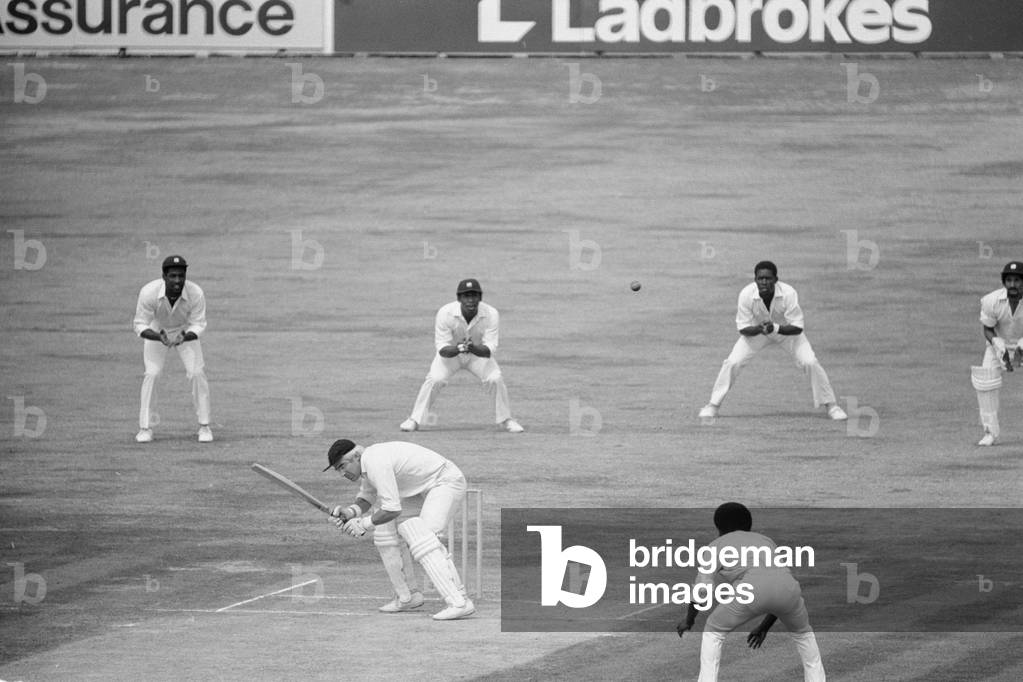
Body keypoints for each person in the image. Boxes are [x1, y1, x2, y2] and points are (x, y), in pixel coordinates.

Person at [324, 438, 476, 620]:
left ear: (356, 456)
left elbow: (391, 509)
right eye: (338, 470)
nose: (342, 474)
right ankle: (408, 596)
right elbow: (368, 496)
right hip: (421, 489)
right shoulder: (367, 463)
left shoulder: (375, 462)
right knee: (385, 532)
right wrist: (349, 513)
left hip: (445, 482)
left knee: (422, 537)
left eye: (342, 466)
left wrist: (362, 524)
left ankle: (459, 602)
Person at [676, 502, 826, 682]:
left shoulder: (715, 546)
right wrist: (764, 627)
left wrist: (689, 620)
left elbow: (702, 590)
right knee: (804, 635)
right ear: (749, 525)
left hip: (752, 591)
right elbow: (777, 587)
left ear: (718, 527)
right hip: (790, 590)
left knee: (713, 631)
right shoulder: (766, 541)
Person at [698, 261, 847, 421]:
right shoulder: (746, 294)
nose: (764, 282)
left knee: (810, 362)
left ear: (776, 279)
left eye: (768, 278)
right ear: (755, 279)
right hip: (757, 332)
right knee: (733, 362)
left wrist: (775, 328)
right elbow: (743, 329)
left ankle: (832, 406)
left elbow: (797, 327)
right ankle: (712, 406)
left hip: (786, 332)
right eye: (760, 278)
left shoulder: (788, 293)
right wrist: (760, 329)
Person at [399, 278, 523, 433]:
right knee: (435, 379)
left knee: (495, 379)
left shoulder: (491, 314)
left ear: (480, 297)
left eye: (474, 296)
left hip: (478, 355)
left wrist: (473, 348)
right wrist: (458, 349)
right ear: (459, 298)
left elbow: (489, 349)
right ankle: (414, 420)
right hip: (451, 355)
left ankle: (506, 420)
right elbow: (442, 348)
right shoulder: (445, 313)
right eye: (466, 296)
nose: (470, 300)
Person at [132, 255, 212, 443]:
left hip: (185, 331)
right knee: (152, 373)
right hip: (156, 330)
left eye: (181, 276)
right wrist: (158, 336)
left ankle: (204, 426)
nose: (177, 281)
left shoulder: (196, 293)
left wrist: (185, 336)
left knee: (196, 373)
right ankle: (145, 428)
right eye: (173, 276)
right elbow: (139, 324)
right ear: (164, 276)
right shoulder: (148, 292)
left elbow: (198, 324)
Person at [971, 261, 1023, 446]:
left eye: (1017, 280)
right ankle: (990, 432)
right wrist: (996, 342)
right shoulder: (991, 301)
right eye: (1008, 280)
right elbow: (988, 328)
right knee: (985, 381)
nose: (1012, 285)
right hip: (998, 346)